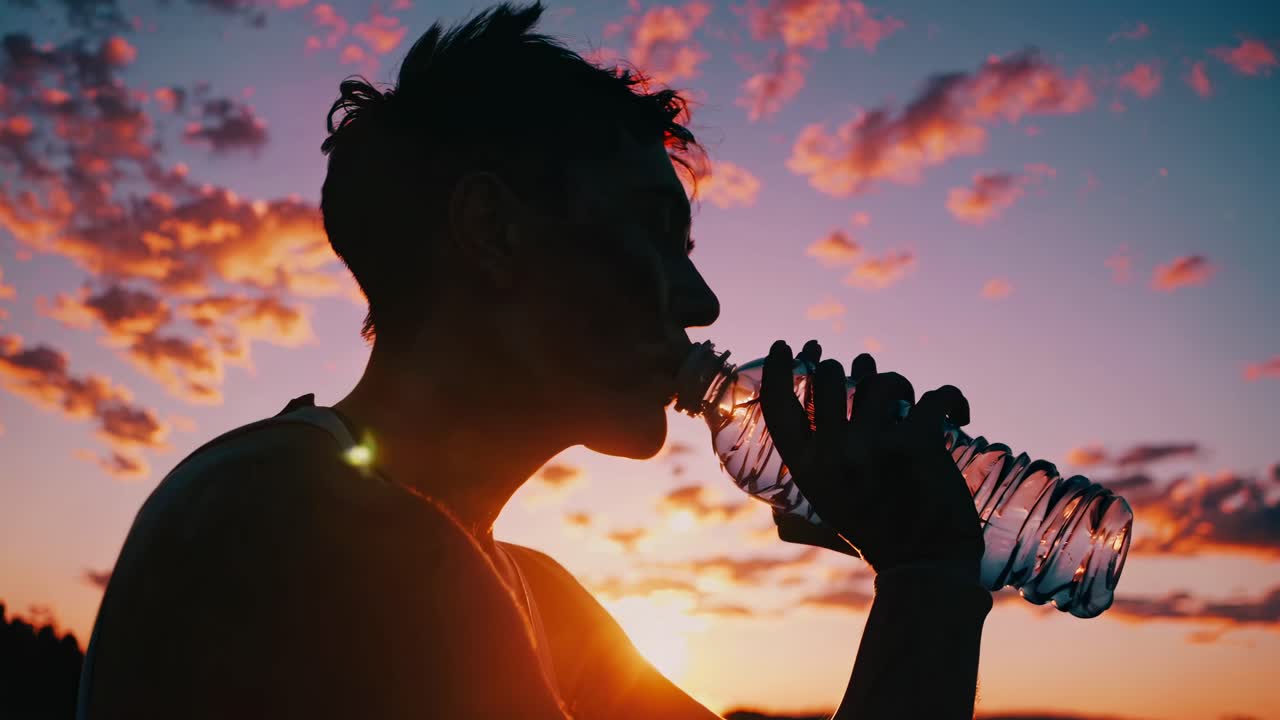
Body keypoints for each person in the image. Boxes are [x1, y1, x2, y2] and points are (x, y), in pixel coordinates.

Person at [76, 2, 992, 717]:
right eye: (654, 231)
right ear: (492, 230)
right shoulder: (298, 522)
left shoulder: (534, 600)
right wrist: (927, 577)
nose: (702, 301)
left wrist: (918, 564)